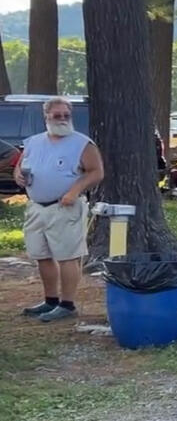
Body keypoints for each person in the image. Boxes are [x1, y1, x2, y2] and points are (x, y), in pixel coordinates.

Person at [17, 97, 104, 323]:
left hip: (65, 206)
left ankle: (67, 304)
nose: (63, 119)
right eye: (57, 115)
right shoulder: (34, 142)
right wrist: (18, 175)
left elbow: (96, 172)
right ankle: (50, 300)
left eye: (66, 115)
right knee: (42, 255)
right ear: (46, 116)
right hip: (37, 207)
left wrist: (74, 191)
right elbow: (21, 164)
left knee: (67, 256)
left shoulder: (82, 144)